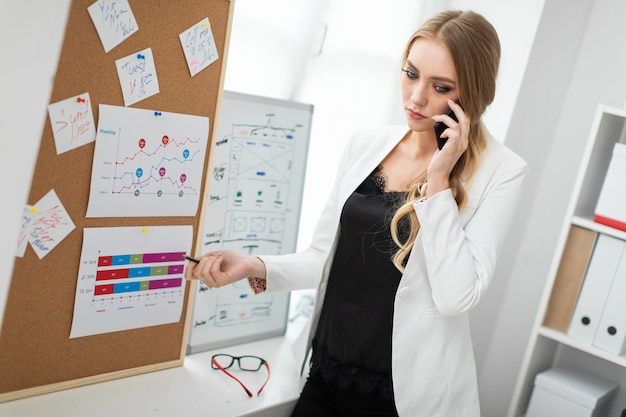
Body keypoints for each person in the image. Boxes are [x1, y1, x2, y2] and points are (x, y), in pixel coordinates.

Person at [185, 9, 527, 417]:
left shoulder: (502, 172)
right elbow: (322, 259)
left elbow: (457, 297)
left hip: (403, 400)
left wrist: (438, 181)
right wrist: (253, 265)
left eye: (440, 87)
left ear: (472, 96)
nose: (416, 97)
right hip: (326, 375)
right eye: (411, 73)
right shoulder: (366, 143)